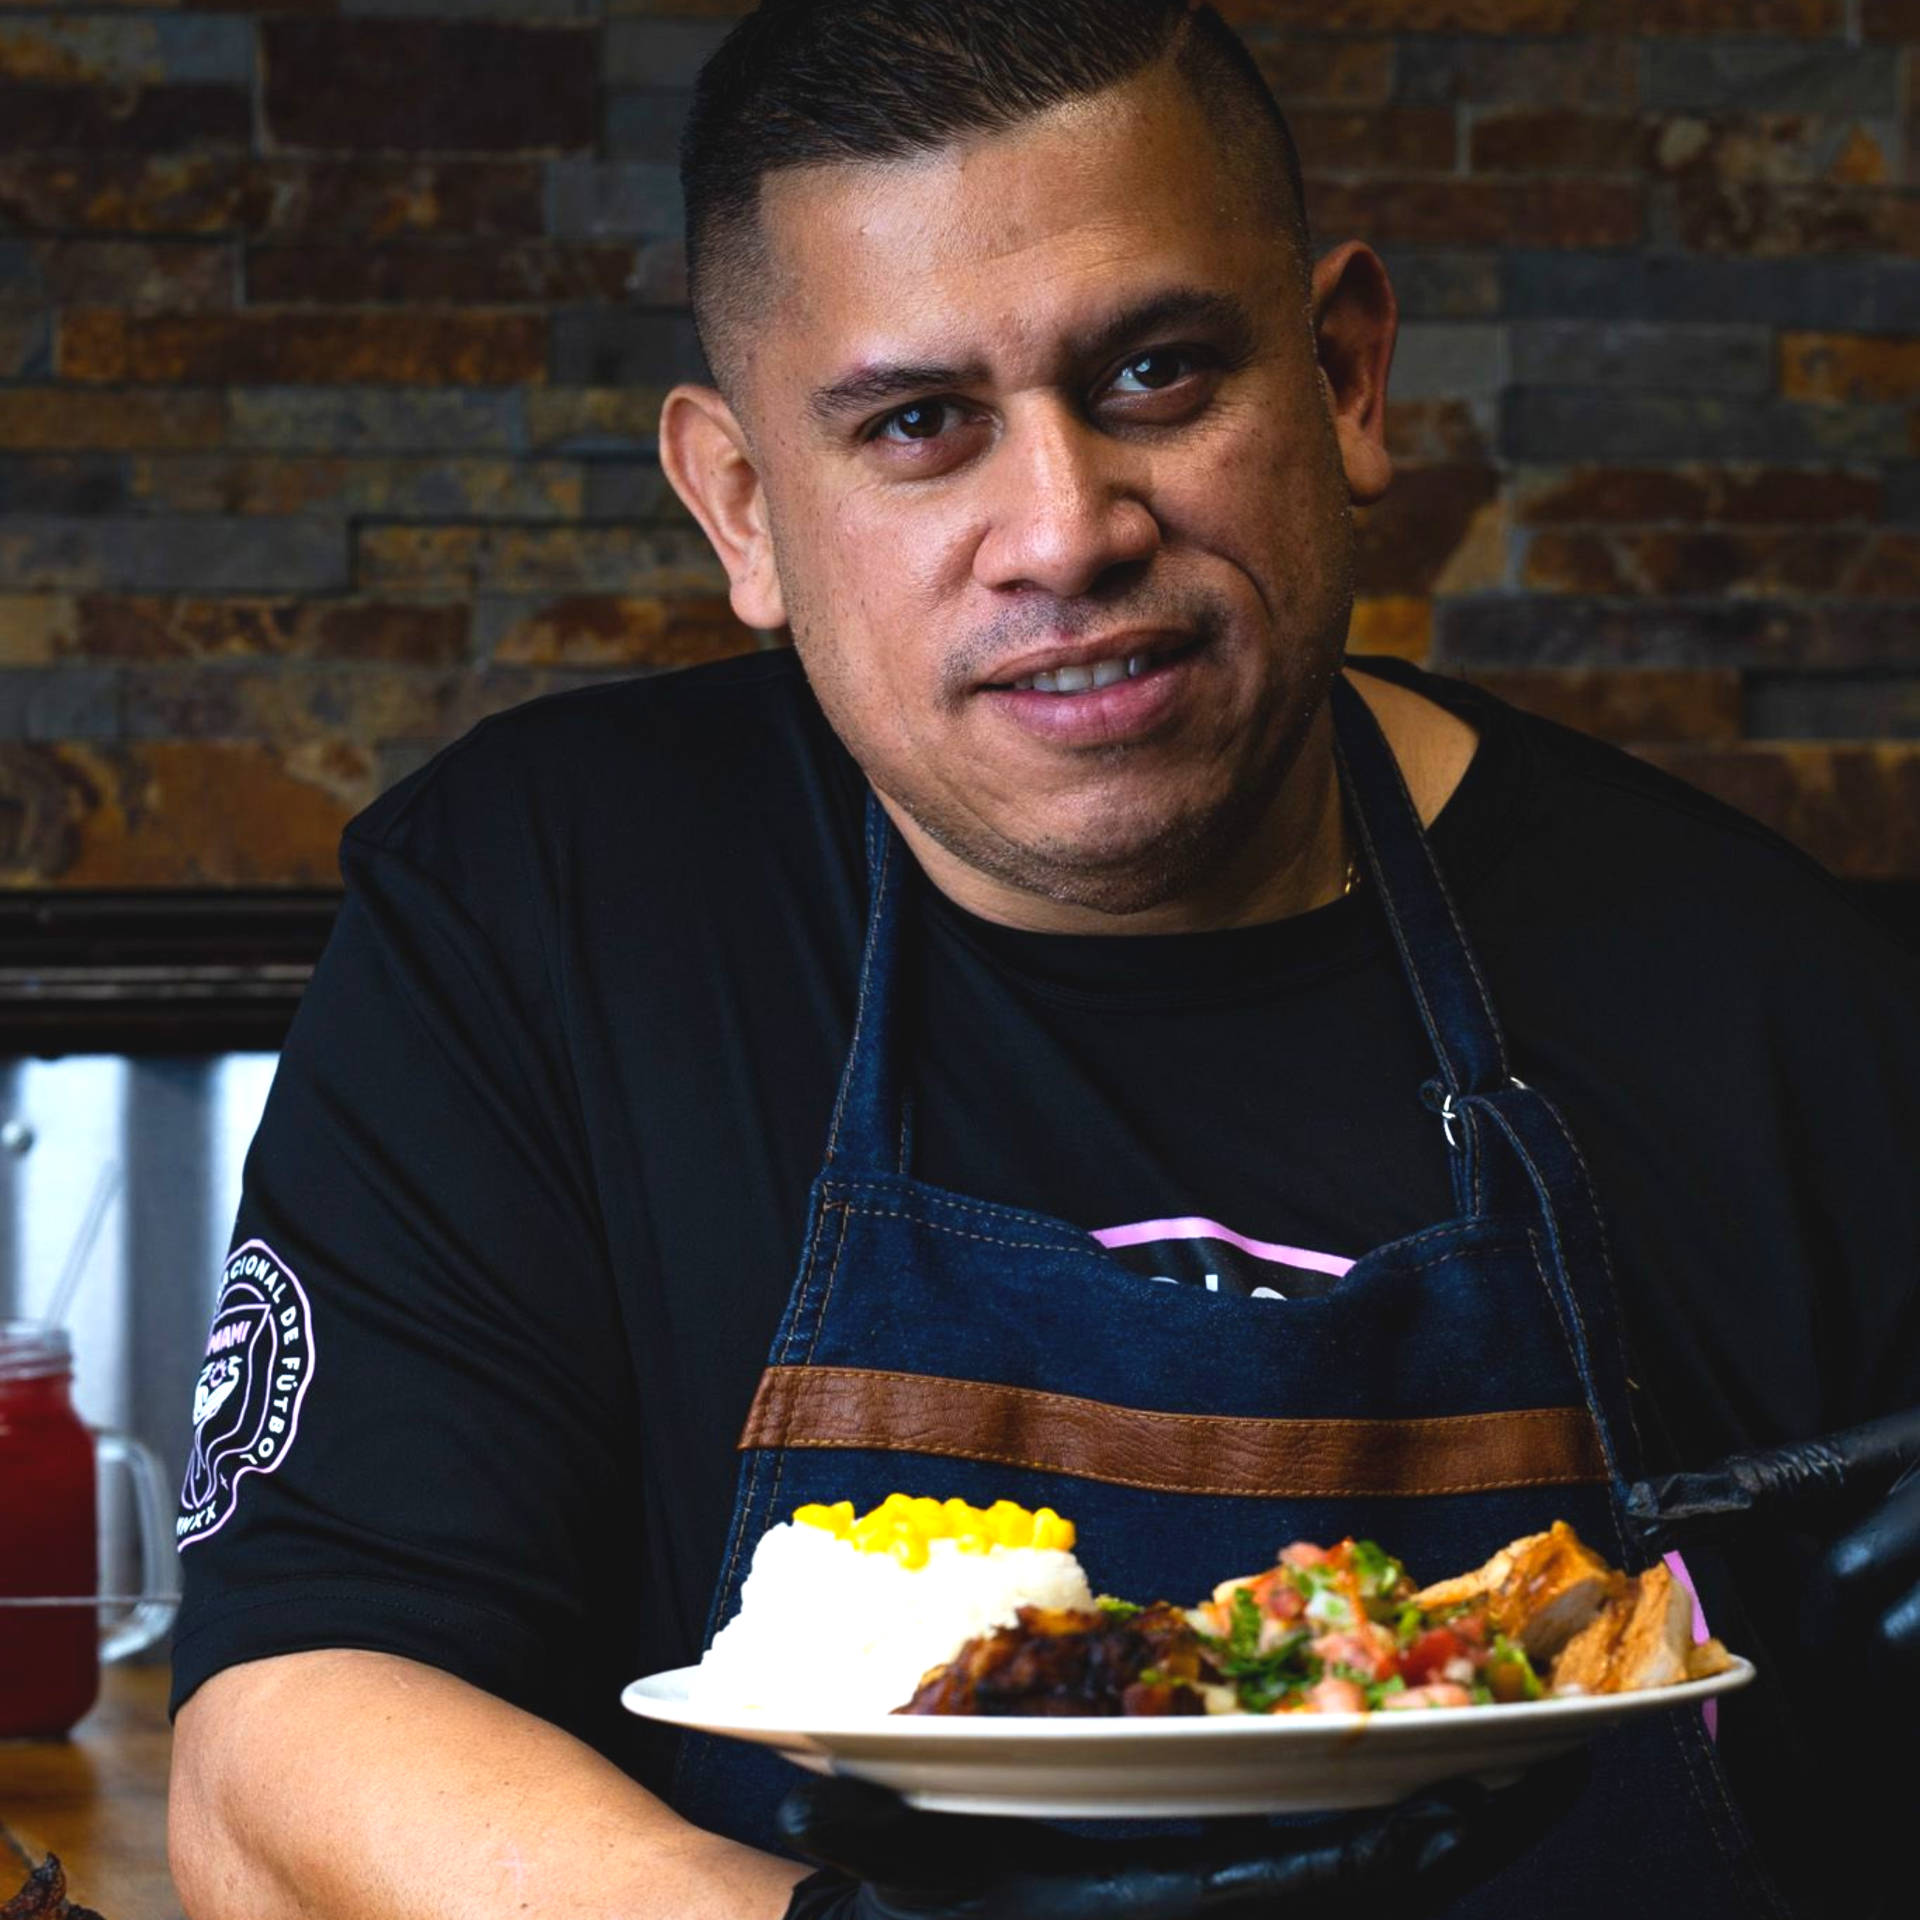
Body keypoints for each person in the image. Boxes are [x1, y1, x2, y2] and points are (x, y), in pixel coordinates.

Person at [165, 4, 1919, 1917]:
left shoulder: (1779, 1005)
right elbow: (289, 1743)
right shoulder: (544, 915)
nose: (1065, 533)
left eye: (1156, 372)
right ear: (744, 508)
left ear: (1343, 377)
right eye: (919, 426)